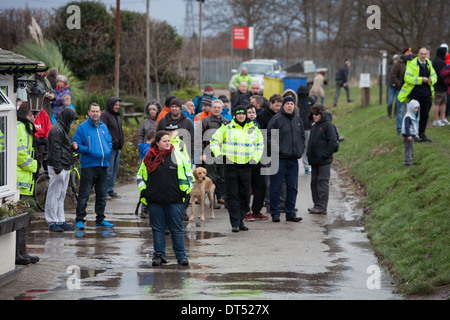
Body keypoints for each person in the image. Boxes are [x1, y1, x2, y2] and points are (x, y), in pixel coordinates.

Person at [137, 130, 194, 266]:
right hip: (154, 199)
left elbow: (188, 175)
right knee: (158, 229)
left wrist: (184, 192)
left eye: (169, 140)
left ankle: (181, 256)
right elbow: (140, 177)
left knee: (177, 228)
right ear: (157, 143)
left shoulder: (177, 155)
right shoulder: (148, 157)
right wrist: (144, 191)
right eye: (165, 141)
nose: (168, 143)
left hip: (174, 199)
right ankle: (158, 256)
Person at [210, 105, 264, 232]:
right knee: (232, 195)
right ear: (235, 115)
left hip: (246, 167)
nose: (241, 116)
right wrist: (219, 155)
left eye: (243, 114)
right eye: (238, 114)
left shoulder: (254, 129)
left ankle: (241, 220)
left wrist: (255, 159)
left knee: (245, 195)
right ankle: (234, 222)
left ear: (246, 115)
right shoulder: (227, 127)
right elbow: (213, 141)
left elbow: (260, 145)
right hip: (231, 167)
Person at [72, 103, 113, 230]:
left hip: (103, 165)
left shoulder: (104, 127)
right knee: (84, 194)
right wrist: (89, 149)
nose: (95, 113)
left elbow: (109, 142)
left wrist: (107, 150)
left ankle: (100, 219)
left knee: (101, 195)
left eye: (97, 111)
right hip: (88, 166)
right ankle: (80, 219)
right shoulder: (82, 127)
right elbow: (76, 145)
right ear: (89, 112)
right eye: (93, 111)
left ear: (100, 113)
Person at [267, 96, 305, 223]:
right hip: (279, 159)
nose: (290, 106)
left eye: (292, 104)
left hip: (293, 160)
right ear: (283, 105)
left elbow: (302, 137)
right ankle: (275, 213)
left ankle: (290, 213)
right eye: (287, 103)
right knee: (276, 187)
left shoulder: (298, 120)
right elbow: (269, 138)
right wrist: (278, 150)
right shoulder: (276, 120)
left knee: (292, 187)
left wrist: (299, 150)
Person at [45, 107, 78, 232]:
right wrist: (58, 168)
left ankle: (60, 220)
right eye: (70, 120)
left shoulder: (63, 128)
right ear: (66, 118)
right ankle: (52, 221)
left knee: (61, 195)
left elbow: (63, 147)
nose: (71, 122)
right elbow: (55, 149)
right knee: (54, 194)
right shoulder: (57, 130)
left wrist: (72, 148)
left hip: (64, 166)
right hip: (58, 167)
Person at [16, 102, 40, 265]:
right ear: (27, 114)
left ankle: (22, 251)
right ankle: (18, 254)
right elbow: (20, 154)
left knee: (25, 219)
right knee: (21, 219)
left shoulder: (24, 127)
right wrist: (35, 166)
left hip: (26, 180)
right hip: (22, 180)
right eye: (32, 114)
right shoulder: (20, 127)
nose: (34, 118)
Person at [397, 47, 437, 142]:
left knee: (425, 115)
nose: (423, 56)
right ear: (418, 54)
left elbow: (434, 76)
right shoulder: (412, 64)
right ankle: (413, 134)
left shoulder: (428, 64)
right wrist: (421, 80)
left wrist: (431, 80)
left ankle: (422, 134)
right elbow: (407, 78)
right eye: (421, 54)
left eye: (425, 54)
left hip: (426, 93)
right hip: (415, 93)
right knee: (415, 116)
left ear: (427, 55)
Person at [306, 104, 339, 215]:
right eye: (313, 114)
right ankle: (317, 205)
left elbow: (333, 144)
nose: (314, 116)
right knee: (314, 182)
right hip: (314, 160)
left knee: (322, 182)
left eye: (316, 114)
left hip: (323, 160)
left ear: (322, 114)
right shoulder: (314, 125)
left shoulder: (328, 126)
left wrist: (323, 154)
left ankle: (322, 206)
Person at [200, 99, 229, 206]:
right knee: (211, 178)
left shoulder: (226, 121)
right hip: (209, 154)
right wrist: (202, 153)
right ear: (211, 109)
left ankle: (225, 199)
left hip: (223, 154)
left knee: (223, 178)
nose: (217, 109)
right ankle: (212, 201)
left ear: (222, 109)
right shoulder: (205, 121)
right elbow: (200, 138)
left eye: (219, 108)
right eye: (215, 107)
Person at [243, 104, 268, 221]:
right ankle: (246, 211)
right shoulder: (242, 126)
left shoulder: (257, 124)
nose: (251, 114)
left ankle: (256, 211)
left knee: (261, 185)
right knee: (247, 187)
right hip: (246, 161)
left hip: (258, 160)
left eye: (253, 112)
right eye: (249, 112)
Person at [100, 97, 124, 199]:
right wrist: (109, 143)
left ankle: (110, 190)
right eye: (115, 105)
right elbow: (103, 131)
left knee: (114, 170)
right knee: (108, 171)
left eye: (118, 105)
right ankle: (103, 192)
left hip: (117, 148)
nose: (117, 107)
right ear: (110, 105)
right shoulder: (105, 115)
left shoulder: (116, 116)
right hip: (109, 148)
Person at [390, 47, 413, 134]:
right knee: (400, 110)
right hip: (401, 91)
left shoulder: (414, 63)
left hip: (412, 91)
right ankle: (400, 129)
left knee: (411, 110)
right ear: (404, 54)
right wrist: (400, 84)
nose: (409, 53)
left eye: (411, 52)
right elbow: (392, 76)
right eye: (407, 52)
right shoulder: (398, 64)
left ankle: (410, 129)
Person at [297, 84, 315, 174]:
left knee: (307, 147)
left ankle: (307, 166)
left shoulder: (310, 101)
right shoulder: (296, 101)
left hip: (308, 127)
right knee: (298, 147)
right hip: (298, 128)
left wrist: (313, 124)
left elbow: (314, 113)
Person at [137, 130, 156, 219]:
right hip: (147, 172)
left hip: (144, 171)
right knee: (147, 192)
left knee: (145, 192)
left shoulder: (143, 147)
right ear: (152, 139)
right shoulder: (148, 149)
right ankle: (144, 210)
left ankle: (144, 209)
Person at [432, 46, 449, 126]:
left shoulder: (441, 61)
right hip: (438, 86)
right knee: (437, 103)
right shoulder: (438, 62)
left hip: (443, 86)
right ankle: (436, 119)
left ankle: (443, 118)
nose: (447, 53)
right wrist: (445, 81)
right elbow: (440, 74)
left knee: (443, 103)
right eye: (446, 52)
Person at [401, 100, 420, 166]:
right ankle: (407, 162)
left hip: (412, 135)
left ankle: (409, 159)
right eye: (415, 108)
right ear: (411, 107)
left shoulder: (412, 115)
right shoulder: (408, 117)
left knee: (411, 147)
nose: (417, 109)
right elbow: (407, 127)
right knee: (408, 148)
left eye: (417, 108)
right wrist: (409, 135)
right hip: (408, 136)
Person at [34, 106, 52, 172]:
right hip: (36, 136)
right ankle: (37, 163)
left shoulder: (43, 112)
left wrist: (47, 136)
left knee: (48, 142)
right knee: (35, 141)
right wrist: (36, 135)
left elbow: (49, 125)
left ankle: (46, 165)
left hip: (44, 136)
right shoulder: (32, 112)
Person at [387, 54, 399, 119]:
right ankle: (389, 114)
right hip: (392, 86)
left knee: (397, 100)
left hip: (397, 86)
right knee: (390, 100)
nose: (396, 61)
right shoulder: (390, 67)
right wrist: (391, 83)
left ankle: (395, 114)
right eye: (395, 60)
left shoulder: (399, 67)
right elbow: (388, 76)